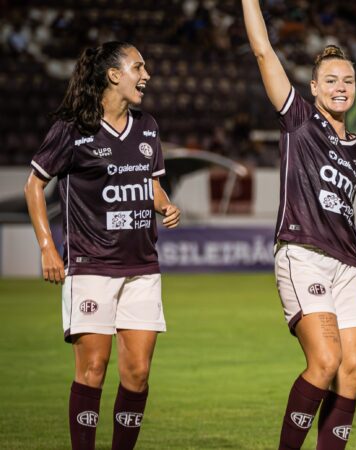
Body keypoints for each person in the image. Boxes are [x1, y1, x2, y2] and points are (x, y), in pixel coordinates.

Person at [24, 41, 181, 450]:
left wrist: (164, 205)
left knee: (138, 374)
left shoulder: (147, 126)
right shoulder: (73, 128)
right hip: (91, 266)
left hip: (143, 268)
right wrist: (47, 246)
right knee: (93, 368)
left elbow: (152, 186)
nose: (146, 75)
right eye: (137, 67)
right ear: (113, 74)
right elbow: (35, 185)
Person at [242, 2, 356, 449]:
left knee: (352, 371)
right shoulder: (299, 119)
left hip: (347, 265)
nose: (341, 88)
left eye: (348, 81)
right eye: (331, 80)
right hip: (303, 255)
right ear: (313, 87)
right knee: (326, 360)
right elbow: (263, 51)